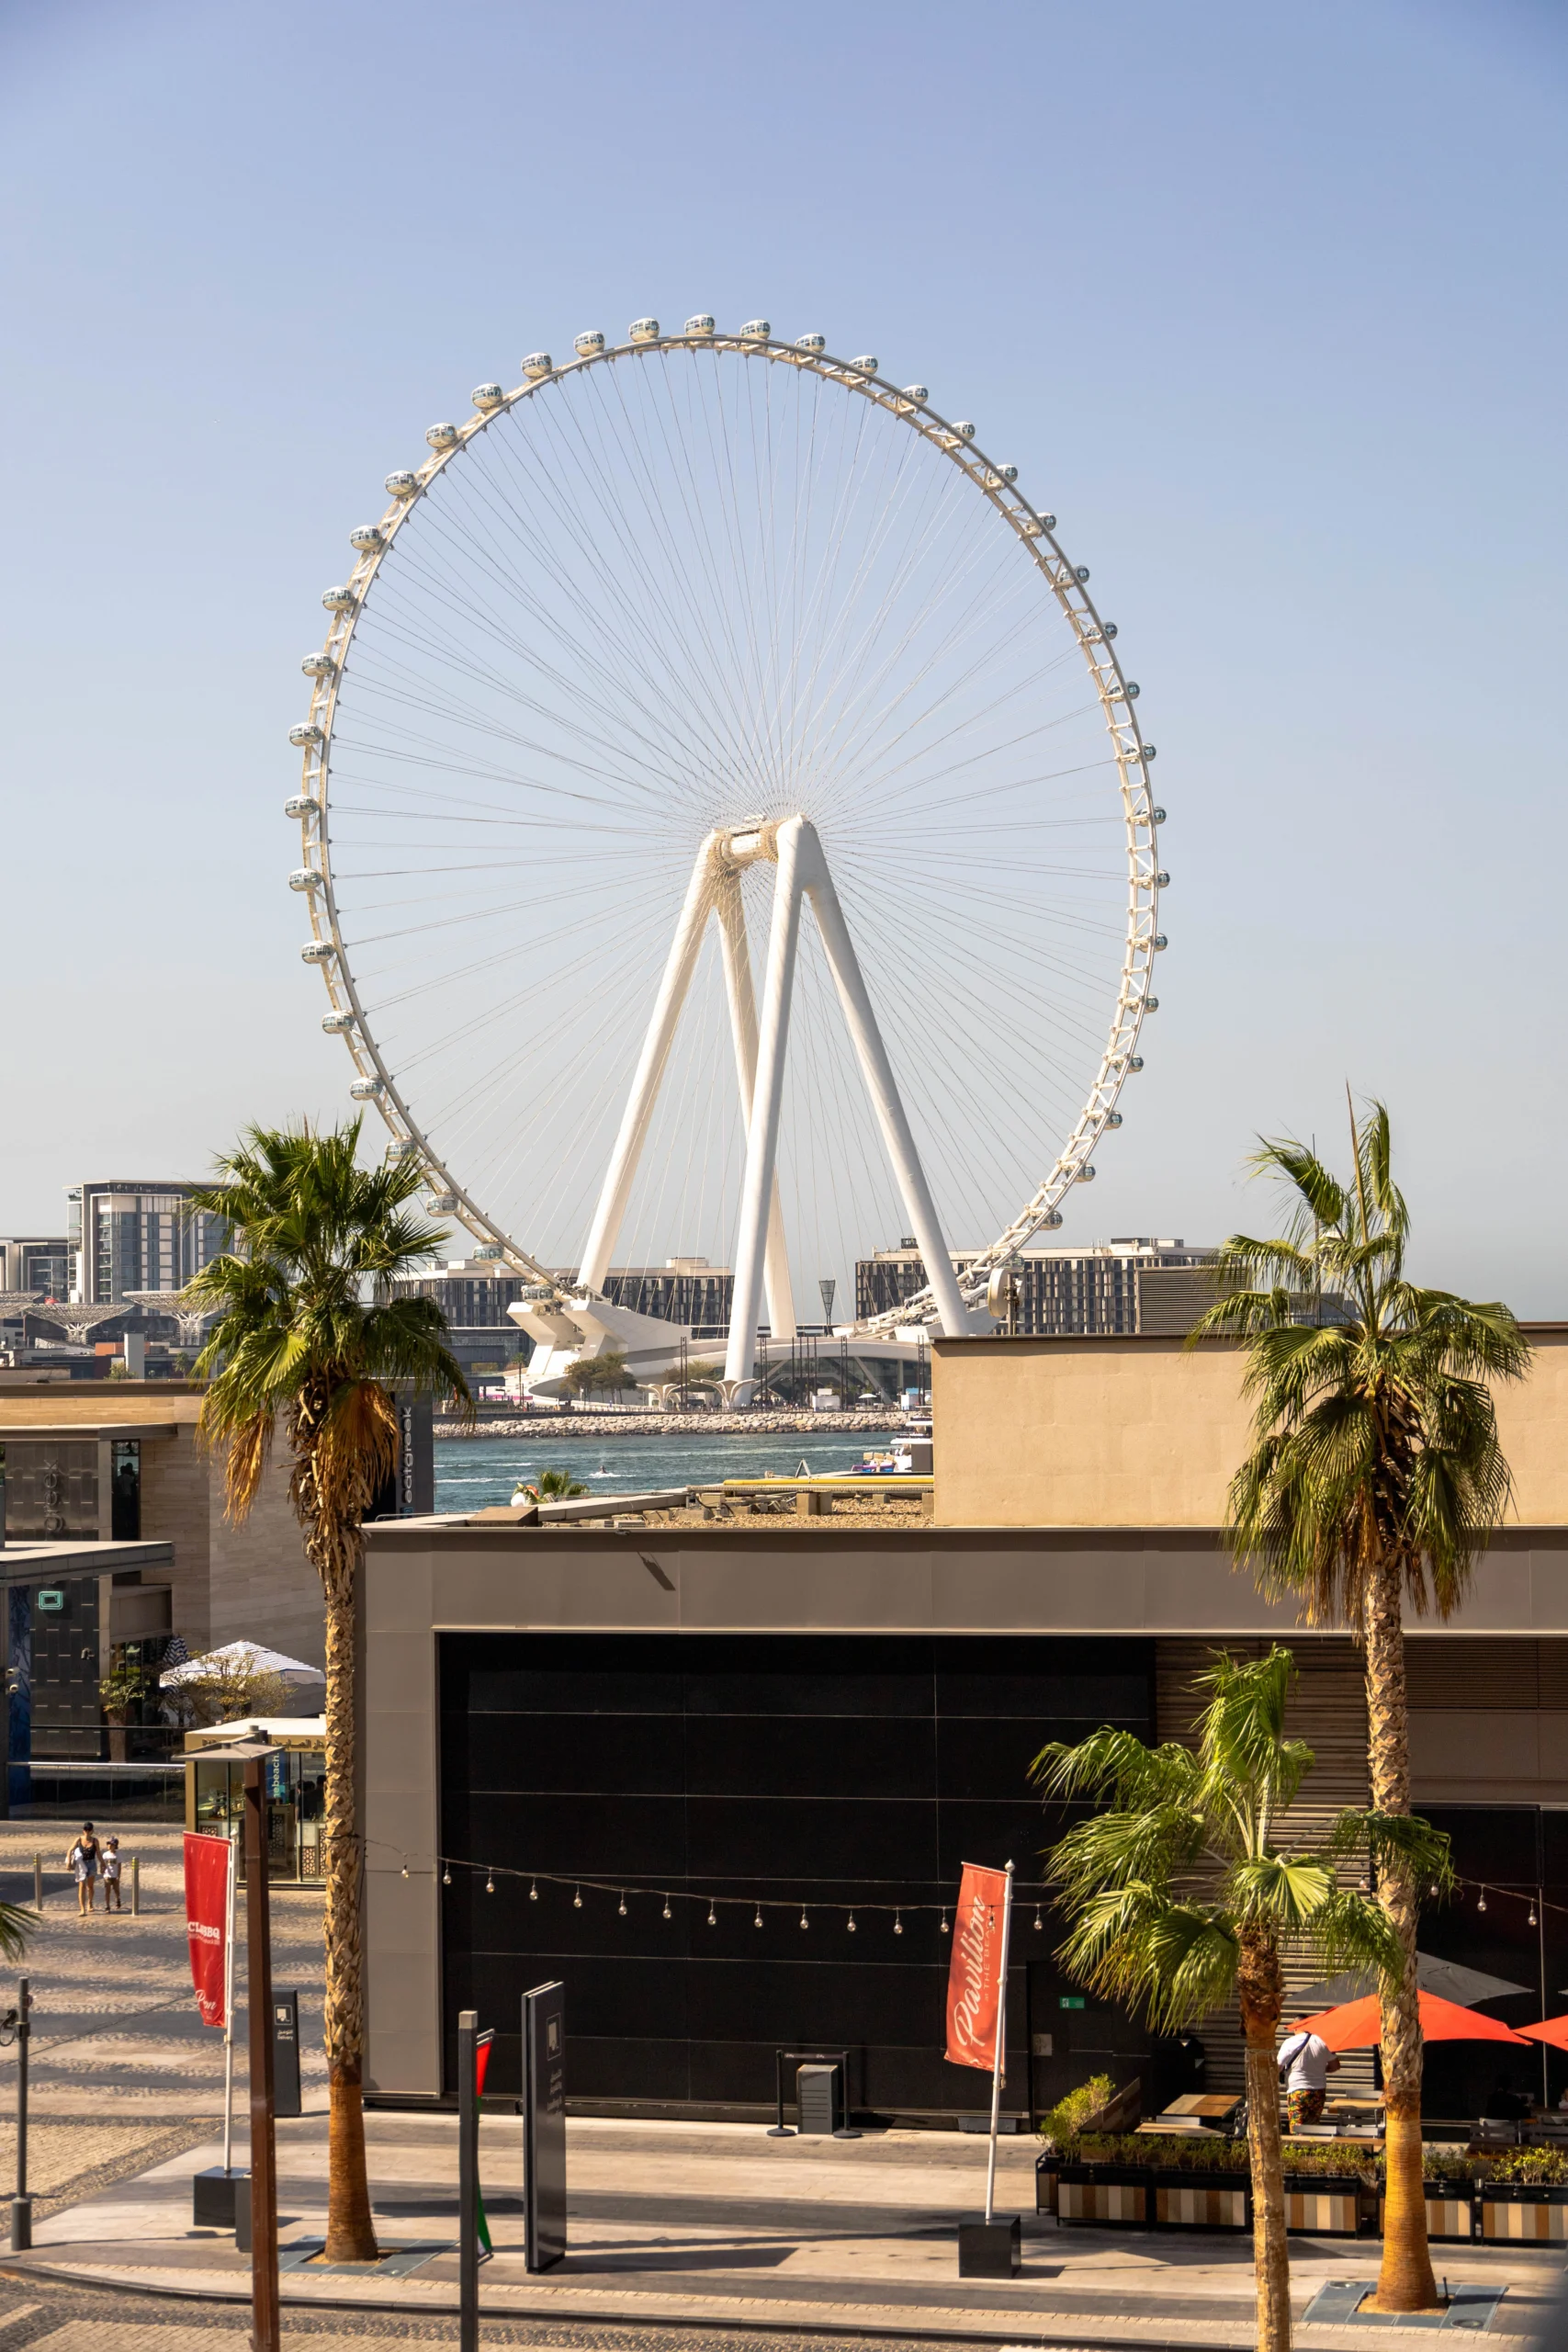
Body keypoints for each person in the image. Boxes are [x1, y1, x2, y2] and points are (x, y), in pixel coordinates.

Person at [1277, 2025, 1340, 2130]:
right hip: (1318, 2092)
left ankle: (1298, 2145)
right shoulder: (1323, 2041)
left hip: (1297, 2091)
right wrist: (1319, 2069)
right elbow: (1335, 2066)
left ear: (1296, 2027)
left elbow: (1277, 2067)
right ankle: (1313, 2145)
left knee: (1297, 2128)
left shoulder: (1290, 2042)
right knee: (1313, 2128)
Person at [65, 1822, 102, 1917]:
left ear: (92, 1831)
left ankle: (90, 1902)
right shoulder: (78, 1840)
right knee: (81, 1886)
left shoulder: (95, 1841)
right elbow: (70, 1850)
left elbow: (98, 1853)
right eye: (86, 1830)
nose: (87, 1832)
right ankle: (82, 1909)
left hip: (92, 1864)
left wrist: (103, 1864)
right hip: (81, 1865)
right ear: (83, 1830)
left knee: (90, 1886)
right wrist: (68, 1862)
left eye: (89, 1830)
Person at [101, 1837, 123, 1912]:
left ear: (115, 1846)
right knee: (107, 1891)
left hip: (115, 1875)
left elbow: (119, 1866)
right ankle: (107, 1906)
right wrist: (102, 1869)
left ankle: (118, 1899)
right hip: (107, 1875)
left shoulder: (118, 1855)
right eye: (109, 1844)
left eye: (112, 1844)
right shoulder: (105, 1854)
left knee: (116, 1890)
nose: (110, 1846)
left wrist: (118, 1876)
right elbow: (102, 1864)